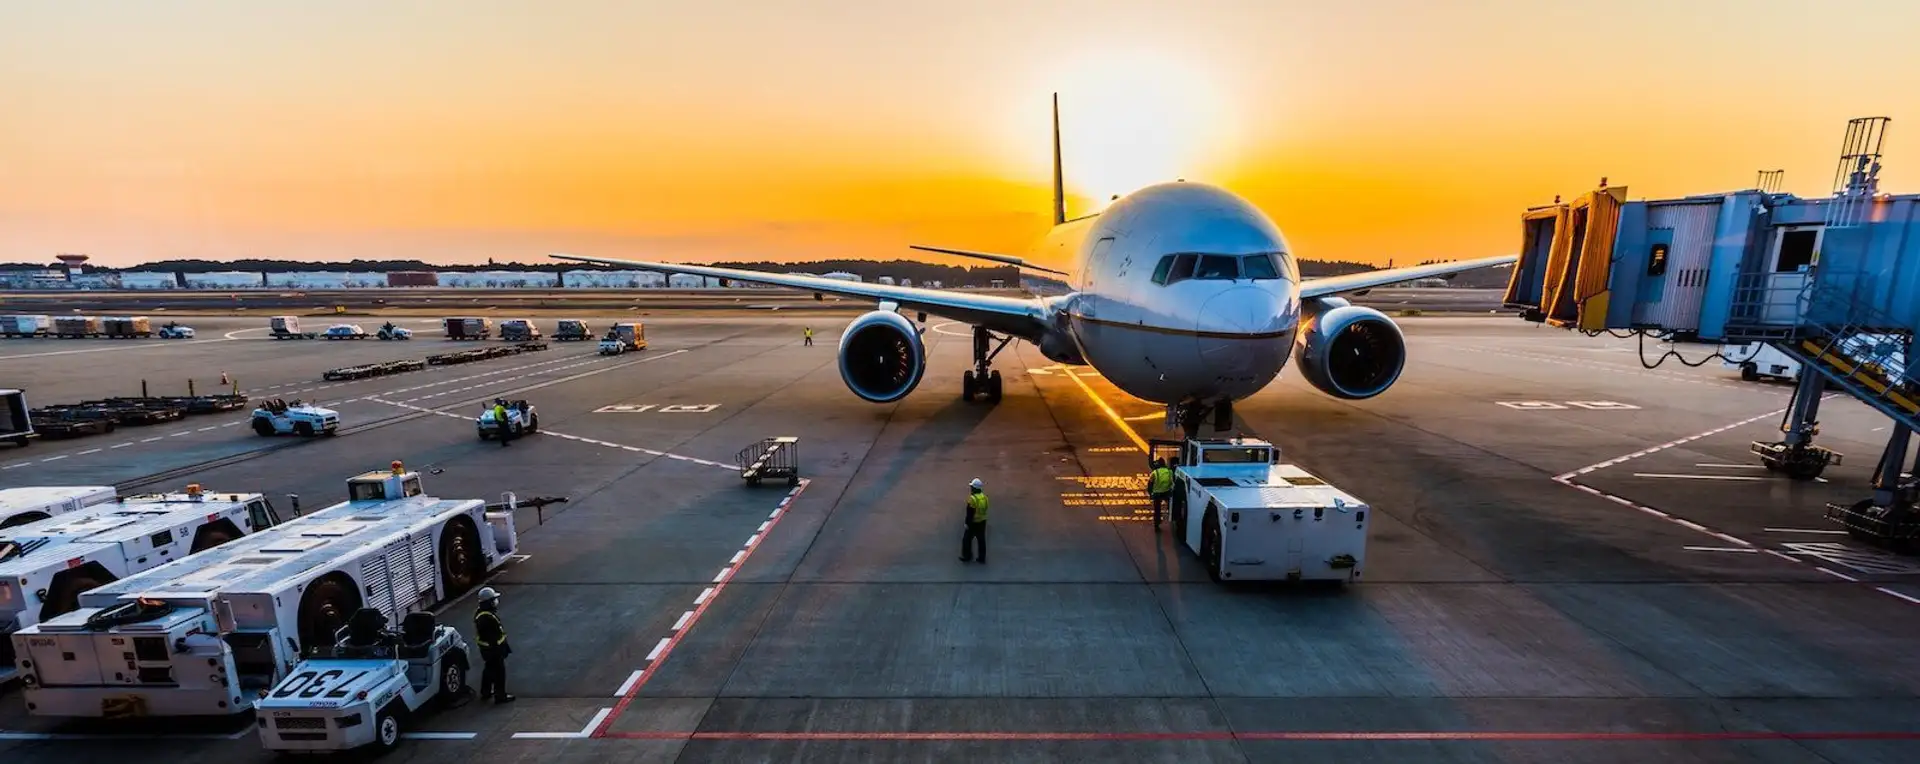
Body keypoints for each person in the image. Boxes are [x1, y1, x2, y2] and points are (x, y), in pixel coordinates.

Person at [473, 587, 514, 703]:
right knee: (499, 673)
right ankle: (500, 696)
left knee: (489, 670)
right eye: (493, 600)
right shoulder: (487, 618)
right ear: (489, 602)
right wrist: (500, 650)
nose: (495, 602)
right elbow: (493, 637)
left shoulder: (481, 613)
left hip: (487, 650)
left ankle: (485, 692)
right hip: (493, 650)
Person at [960, 478, 988, 563]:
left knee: (966, 539)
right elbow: (986, 508)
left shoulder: (973, 499)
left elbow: (970, 513)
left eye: (972, 487)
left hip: (973, 522)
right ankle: (981, 557)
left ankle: (967, 556)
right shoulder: (985, 497)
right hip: (982, 521)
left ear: (974, 488)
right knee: (981, 540)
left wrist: (967, 523)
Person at [1148, 459, 1175, 531]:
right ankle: (1171, 513)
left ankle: (1157, 524)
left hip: (1157, 493)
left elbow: (1150, 484)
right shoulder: (1170, 472)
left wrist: (1150, 494)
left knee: (1157, 510)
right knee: (1171, 503)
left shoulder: (1154, 473)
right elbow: (1172, 482)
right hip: (1167, 492)